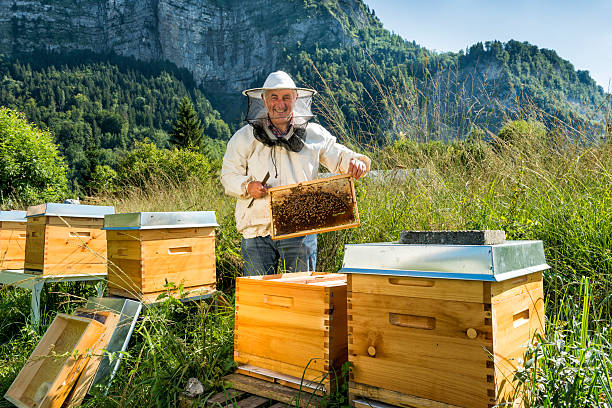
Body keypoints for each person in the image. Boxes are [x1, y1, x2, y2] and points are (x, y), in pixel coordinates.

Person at [220, 71, 371, 276]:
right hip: (257, 228)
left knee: (301, 294)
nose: (280, 104)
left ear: (296, 99)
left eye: (286, 97)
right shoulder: (244, 137)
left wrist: (356, 162)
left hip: (301, 229)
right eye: (274, 97)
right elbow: (228, 175)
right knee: (259, 298)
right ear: (264, 100)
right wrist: (247, 187)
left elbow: (340, 156)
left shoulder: (314, 134)